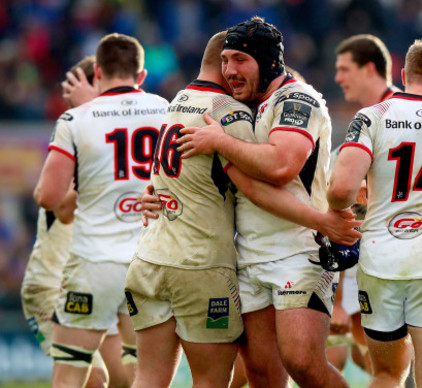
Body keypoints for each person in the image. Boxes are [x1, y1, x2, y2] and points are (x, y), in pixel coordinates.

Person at [130, 31, 360, 388]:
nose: (230, 70)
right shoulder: (238, 109)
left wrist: (221, 143)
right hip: (247, 258)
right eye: (225, 61)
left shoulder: (298, 99)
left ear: (269, 62)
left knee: (302, 362)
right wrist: (159, 193)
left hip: (298, 253)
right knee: (262, 374)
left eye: (240, 60)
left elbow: (280, 167)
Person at [327, 36, 422, 388]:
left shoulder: (372, 118)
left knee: (386, 375)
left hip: (381, 262)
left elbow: (340, 192)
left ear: (403, 72)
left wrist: (341, 205)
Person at [33, 33, 168, 387]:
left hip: (95, 264)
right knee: (144, 375)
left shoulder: (76, 120)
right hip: (151, 262)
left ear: (97, 73)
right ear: (141, 75)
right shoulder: (168, 110)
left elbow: (49, 197)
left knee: (70, 375)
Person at [22, 57, 132, 388]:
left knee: (126, 379)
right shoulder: (76, 139)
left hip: (96, 278)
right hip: (51, 286)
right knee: (91, 379)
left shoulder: (114, 145)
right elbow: (62, 206)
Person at [328, 34, 402, 374]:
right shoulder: (370, 117)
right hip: (369, 255)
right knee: (367, 359)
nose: (338, 77)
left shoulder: (397, 114)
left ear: (369, 68)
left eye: (345, 69)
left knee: (389, 366)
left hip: (397, 255)